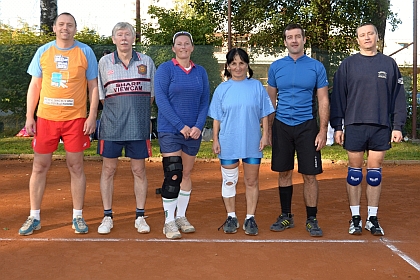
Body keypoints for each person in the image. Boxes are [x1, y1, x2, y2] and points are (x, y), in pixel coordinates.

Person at [19, 12, 99, 235]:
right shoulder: (43, 52)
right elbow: (35, 86)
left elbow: (93, 86)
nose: (65, 28)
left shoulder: (85, 52)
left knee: (76, 166)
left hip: (76, 120)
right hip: (46, 119)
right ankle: (34, 216)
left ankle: (78, 216)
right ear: (54, 28)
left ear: (75, 29)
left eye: (70, 25)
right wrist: (29, 116)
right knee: (39, 166)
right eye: (61, 24)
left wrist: (92, 116)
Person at [330, 23, 406, 236]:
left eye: (370, 33)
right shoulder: (348, 64)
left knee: (374, 174)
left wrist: (398, 125)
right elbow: (338, 98)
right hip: (354, 125)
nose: (366, 37)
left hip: (381, 125)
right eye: (362, 35)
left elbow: (398, 97)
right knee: (354, 174)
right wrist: (338, 126)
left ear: (377, 36)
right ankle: (355, 218)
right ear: (357, 39)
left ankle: (372, 218)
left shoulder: (389, 64)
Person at [267, 23, 329, 237]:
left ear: (304, 39)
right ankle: (286, 216)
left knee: (309, 175)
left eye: (297, 37)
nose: (294, 40)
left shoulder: (316, 67)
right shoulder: (275, 67)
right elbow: (270, 101)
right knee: (284, 172)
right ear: (285, 42)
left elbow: (323, 100)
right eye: (289, 37)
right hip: (282, 126)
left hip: (307, 127)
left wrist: (322, 131)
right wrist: (268, 132)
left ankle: (312, 219)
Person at [96, 22, 156, 234]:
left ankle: (140, 216)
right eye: (119, 35)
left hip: (138, 127)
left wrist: (135, 114)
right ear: (113, 39)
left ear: (133, 38)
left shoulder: (146, 61)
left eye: (127, 34)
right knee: (108, 170)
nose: (123, 38)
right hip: (111, 127)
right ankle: (107, 216)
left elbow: (151, 96)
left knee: (139, 170)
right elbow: (103, 98)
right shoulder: (104, 62)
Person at [208, 48, 274, 235]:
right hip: (228, 140)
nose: (238, 67)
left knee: (251, 181)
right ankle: (231, 216)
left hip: (252, 140)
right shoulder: (222, 89)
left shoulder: (256, 87)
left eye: (242, 63)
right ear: (228, 66)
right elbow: (217, 118)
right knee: (229, 181)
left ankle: (250, 218)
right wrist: (215, 140)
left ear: (247, 65)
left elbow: (265, 114)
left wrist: (265, 135)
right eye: (234, 63)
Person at [154, 31, 210, 239]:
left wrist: (197, 126)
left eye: (187, 44)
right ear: (173, 48)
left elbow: (204, 101)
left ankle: (181, 216)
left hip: (193, 132)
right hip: (170, 130)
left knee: (186, 174)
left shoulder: (200, 72)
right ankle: (168, 222)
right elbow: (161, 100)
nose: (183, 47)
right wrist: (180, 126)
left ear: (192, 47)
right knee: (173, 173)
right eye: (179, 44)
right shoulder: (166, 69)